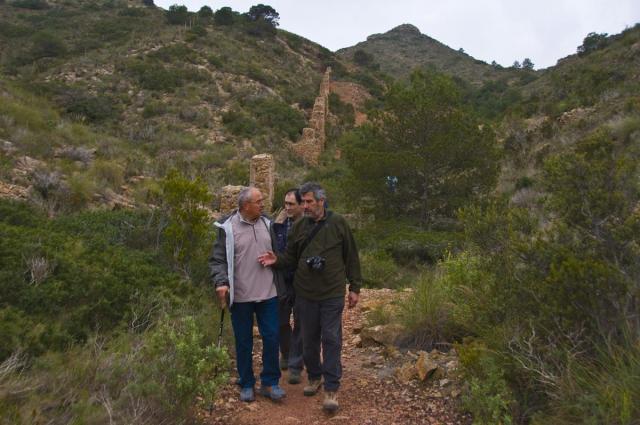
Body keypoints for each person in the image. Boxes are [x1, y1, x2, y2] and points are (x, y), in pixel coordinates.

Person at [258, 182, 361, 413]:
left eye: (309, 202)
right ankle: (315, 376)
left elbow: (351, 256)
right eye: (303, 202)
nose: (304, 206)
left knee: (331, 339)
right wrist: (277, 260)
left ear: (321, 201)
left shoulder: (338, 223)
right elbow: (291, 258)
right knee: (308, 341)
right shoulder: (299, 226)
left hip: (332, 292)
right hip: (305, 292)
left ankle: (331, 388)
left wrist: (355, 287)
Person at [209, 187, 287, 403]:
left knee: (272, 337)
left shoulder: (268, 224)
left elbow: (282, 254)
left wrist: (277, 259)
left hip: (268, 294)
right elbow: (217, 260)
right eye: (258, 201)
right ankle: (246, 383)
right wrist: (221, 282)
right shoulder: (227, 228)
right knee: (244, 341)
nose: (263, 204)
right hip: (241, 297)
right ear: (245, 206)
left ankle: (270, 382)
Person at [273, 188, 304, 384]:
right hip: (282, 279)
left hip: (301, 281)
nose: (287, 207)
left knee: (300, 322)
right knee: (281, 321)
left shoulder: (309, 225)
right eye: (285, 203)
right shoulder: (278, 224)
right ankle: (286, 352)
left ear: (301, 205)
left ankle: (296, 365)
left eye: (291, 204)